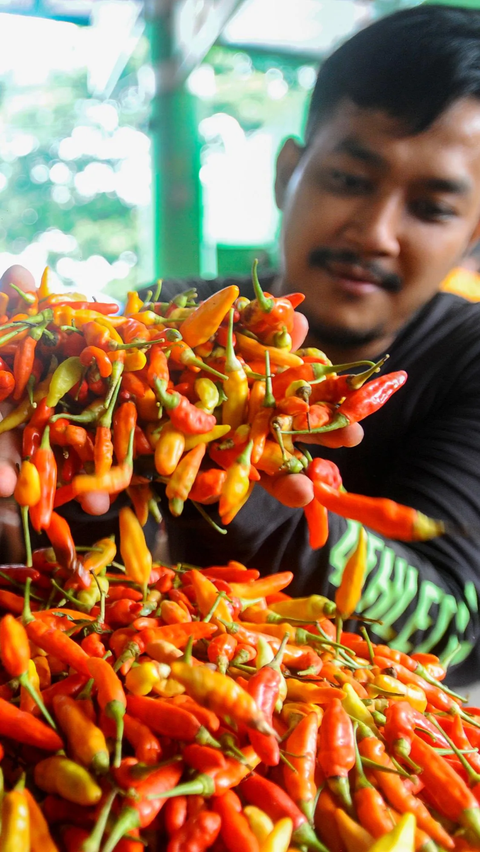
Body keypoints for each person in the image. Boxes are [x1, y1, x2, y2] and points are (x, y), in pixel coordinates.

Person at [2, 4, 480, 685]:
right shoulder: (165, 318)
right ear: (289, 171)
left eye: (432, 207)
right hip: (152, 691)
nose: (376, 231)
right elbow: (79, 572)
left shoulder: (467, 358)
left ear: (472, 234)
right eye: (349, 179)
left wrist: (233, 469)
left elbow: (451, 628)